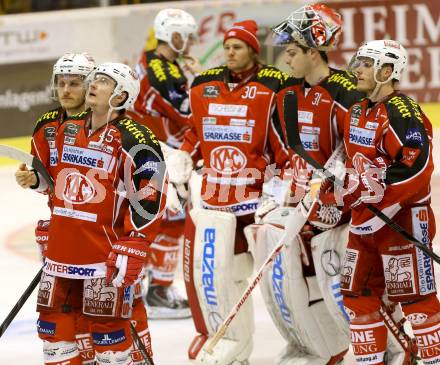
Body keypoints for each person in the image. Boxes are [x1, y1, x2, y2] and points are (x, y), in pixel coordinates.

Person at [17, 61, 166, 365]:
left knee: (108, 335)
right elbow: (63, 182)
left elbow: (151, 192)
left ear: (121, 96)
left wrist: (136, 239)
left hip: (103, 255)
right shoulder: (67, 129)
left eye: (103, 81)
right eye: (94, 78)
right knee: (51, 328)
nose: (93, 84)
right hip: (61, 251)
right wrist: (53, 211)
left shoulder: (135, 137)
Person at [167, 19, 293, 365]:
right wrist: (182, 161)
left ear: (253, 50)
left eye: (237, 47)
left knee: (282, 279)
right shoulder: (205, 84)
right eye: (226, 46)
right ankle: (235, 345)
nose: (229, 52)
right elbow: (197, 133)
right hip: (218, 204)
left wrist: (282, 184)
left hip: (261, 202)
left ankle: (307, 342)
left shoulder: (275, 85)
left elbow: (284, 139)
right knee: (222, 277)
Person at [249, 4, 366, 364]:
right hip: (305, 208)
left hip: (343, 213)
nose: (286, 59)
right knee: (292, 277)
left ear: (313, 52)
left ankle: (381, 351)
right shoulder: (289, 94)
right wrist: (277, 193)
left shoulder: (347, 93)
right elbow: (289, 156)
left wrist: (336, 194)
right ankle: (324, 347)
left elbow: (359, 154)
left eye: (292, 52)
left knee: (342, 292)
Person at [337, 40, 440, 365]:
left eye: (366, 64)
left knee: (416, 301)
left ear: (386, 70)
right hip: (363, 222)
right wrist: (337, 187)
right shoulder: (356, 110)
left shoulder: (402, 111)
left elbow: (418, 166)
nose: (358, 70)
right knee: (356, 295)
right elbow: (348, 161)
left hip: (403, 220)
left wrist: (373, 192)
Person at [15, 52, 98, 365]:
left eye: (74, 82)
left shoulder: (107, 124)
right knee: (57, 321)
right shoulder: (46, 124)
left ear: (90, 84)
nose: (66, 89)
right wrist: (32, 180)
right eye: (61, 82)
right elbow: (48, 182)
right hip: (62, 234)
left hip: (100, 237)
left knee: (103, 322)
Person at [127, 8, 201, 319]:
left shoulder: (157, 62)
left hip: (149, 150)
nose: (189, 41)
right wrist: (201, 79)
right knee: (168, 220)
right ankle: (155, 290)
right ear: (171, 35)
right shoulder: (163, 72)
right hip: (157, 152)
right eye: (184, 35)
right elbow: (187, 112)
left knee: (155, 220)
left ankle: (140, 289)